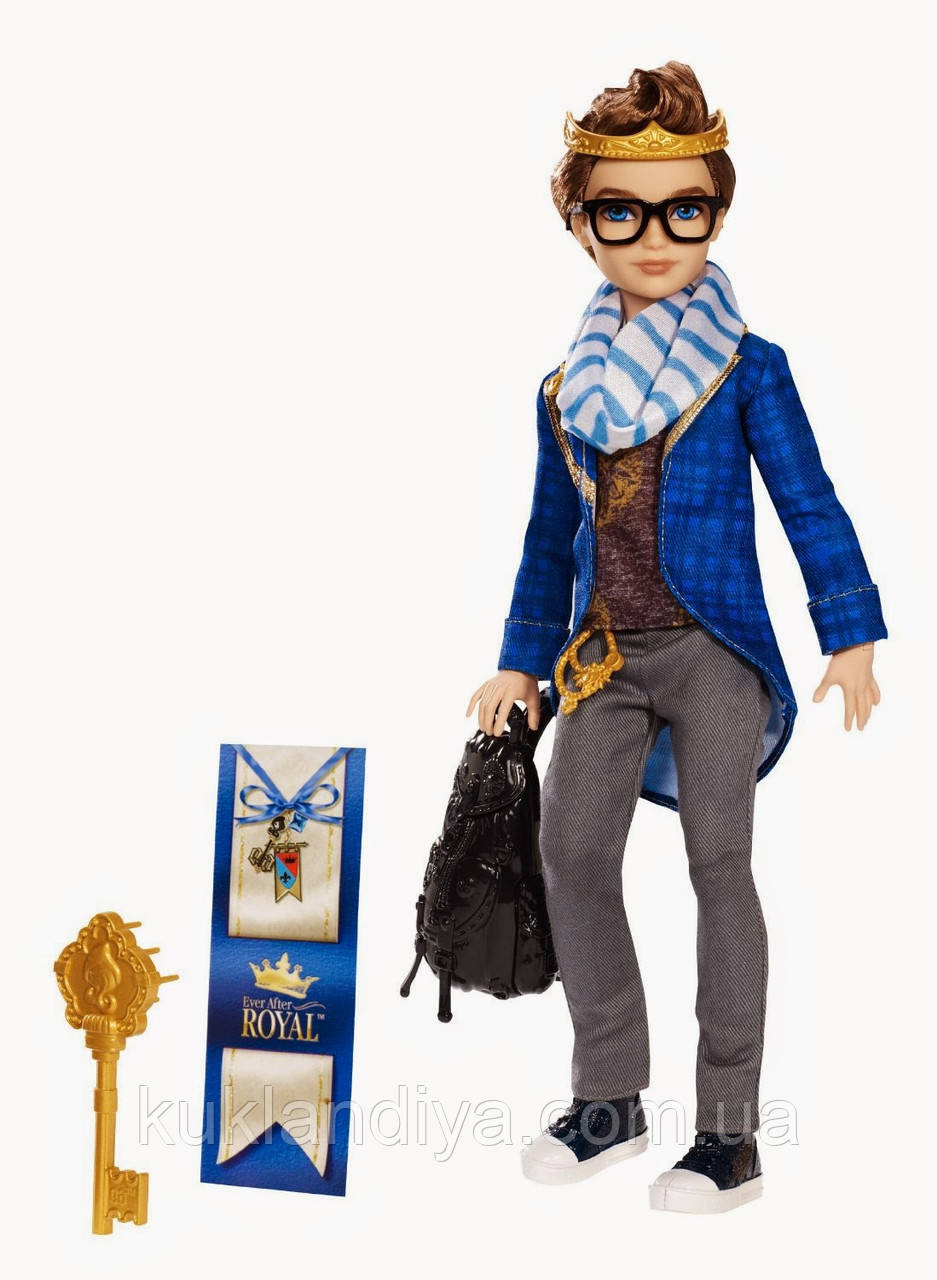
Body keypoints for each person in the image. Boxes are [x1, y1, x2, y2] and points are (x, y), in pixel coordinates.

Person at [465, 62, 886, 1214]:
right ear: (580, 224)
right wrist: (519, 659)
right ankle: (608, 1096)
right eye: (622, 213)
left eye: (683, 210)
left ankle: (728, 1133)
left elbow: (808, 502)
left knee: (717, 864)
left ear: (716, 215)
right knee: (570, 853)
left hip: (714, 655)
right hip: (602, 657)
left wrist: (847, 629)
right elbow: (547, 540)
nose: (654, 238)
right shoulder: (565, 391)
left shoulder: (748, 369)